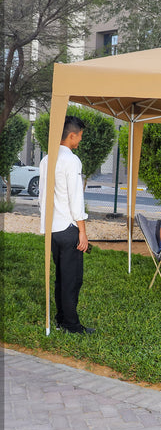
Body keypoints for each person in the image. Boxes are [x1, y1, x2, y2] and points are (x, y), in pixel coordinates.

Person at [39, 115, 95, 334]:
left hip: (52, 229)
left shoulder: (46, 159)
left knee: (61, 277)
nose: (80, 141)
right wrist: (83, 231)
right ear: (72, 135)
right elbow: (76, 199)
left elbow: (42, 196)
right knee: (72, 280)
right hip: (68, 229)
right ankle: (71, 325)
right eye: (79, 136)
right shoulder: (71, 160)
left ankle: (62, 319)